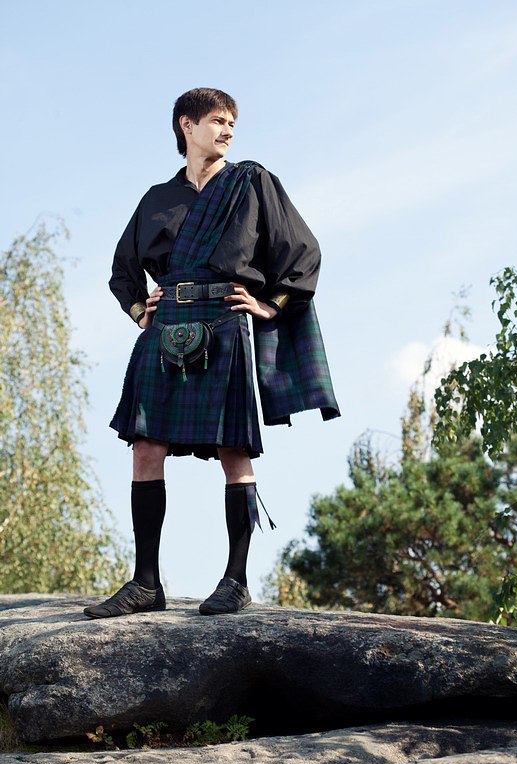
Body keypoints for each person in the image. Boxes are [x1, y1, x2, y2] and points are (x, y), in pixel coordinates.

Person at [83, 88, 339, 620]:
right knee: (144, 447)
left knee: (233, 450)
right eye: (218, 121)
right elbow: (122, 269)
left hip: (224, 322)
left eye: (232, 124)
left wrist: (271, 304)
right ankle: (145, 583)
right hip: (165, 327)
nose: (227, 131)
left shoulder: (252, 182)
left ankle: (235, 580)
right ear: (187, 125)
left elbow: (303, 251)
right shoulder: (157, 198)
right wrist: (139, 310)